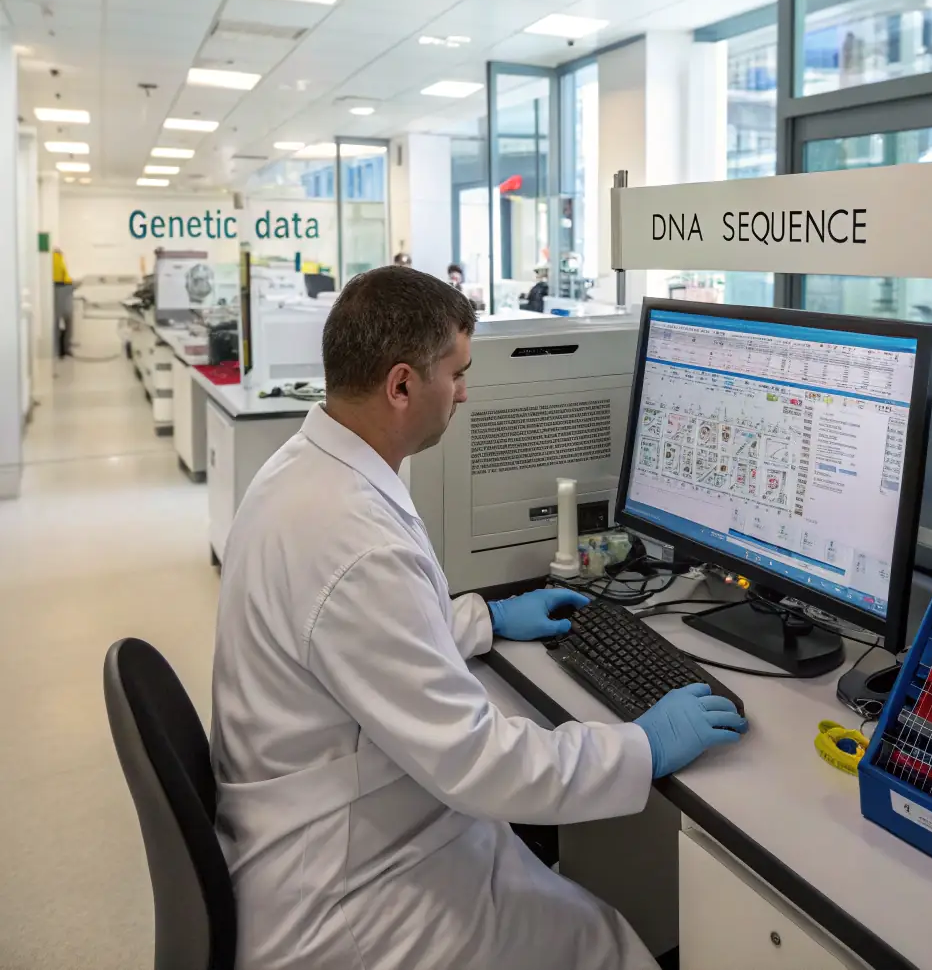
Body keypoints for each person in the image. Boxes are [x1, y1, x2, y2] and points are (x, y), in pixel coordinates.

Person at [211, 266, 746, 970]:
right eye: (456, 373)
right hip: (346, 891)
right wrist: (642, 746)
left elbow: (364, 638)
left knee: (564, 896)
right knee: (605, 943)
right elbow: (480, 763)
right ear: (401, 385)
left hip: (353, 813)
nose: (465, 392)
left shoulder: (305, 469)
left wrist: (482, 619)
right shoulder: (351, 537)